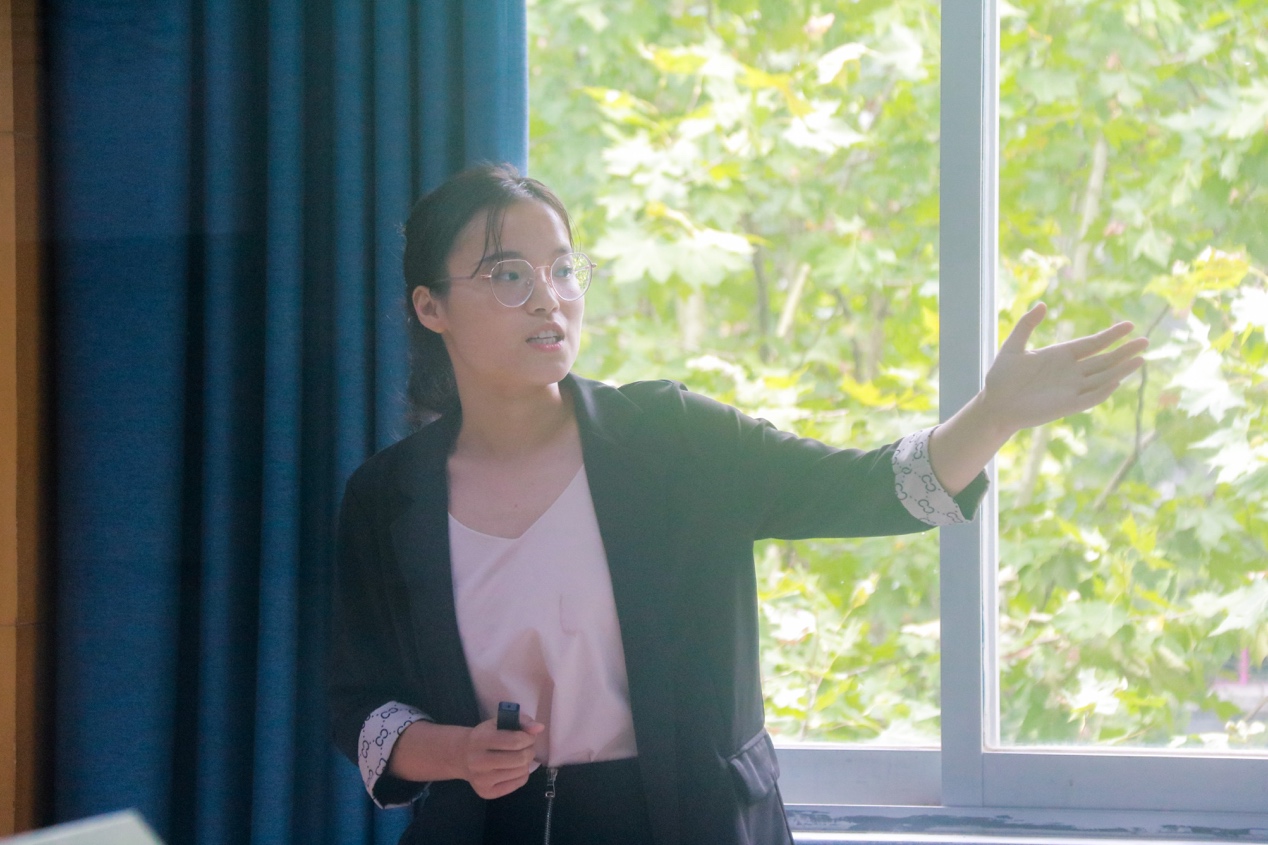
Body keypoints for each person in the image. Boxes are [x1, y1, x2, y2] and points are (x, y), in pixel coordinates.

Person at [328, 163, 1148, 845]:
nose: (550, 297)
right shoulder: (387, 496)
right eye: (510, 274)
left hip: (687, 819)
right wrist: (459, 753)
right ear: (430, 306)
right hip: (485, 826)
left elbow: (871, 487)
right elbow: (362, 704)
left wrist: (994, 414)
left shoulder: (671, 438)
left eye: (564, 268)